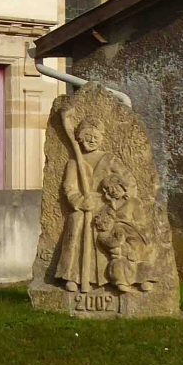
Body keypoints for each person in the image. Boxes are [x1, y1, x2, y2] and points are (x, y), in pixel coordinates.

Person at [55, 117, 134, 292]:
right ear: (80, 138)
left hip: (105, 207)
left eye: (95, 137)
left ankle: (108, 278)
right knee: (75, 230)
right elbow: (69, 186)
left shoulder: (110, 159)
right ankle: (71, 277)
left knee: (106, 239)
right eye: (87, 136)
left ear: (101, 138)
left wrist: (118, 198)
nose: (91, 140)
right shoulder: (74, 162)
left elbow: (128, 181)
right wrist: (80, 201)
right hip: (82, 207)